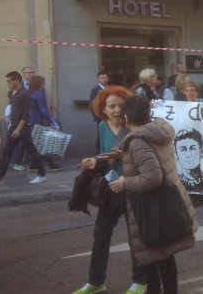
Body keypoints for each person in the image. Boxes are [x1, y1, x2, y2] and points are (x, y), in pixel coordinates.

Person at [109, 95, 197, 294]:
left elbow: (152, 177)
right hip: (164, 205)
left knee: (152, 255)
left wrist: (125, 182)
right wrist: (122, 155)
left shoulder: (138, 142)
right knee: (164, 255)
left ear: (126, 118)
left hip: (150, 208)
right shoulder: (157, 132)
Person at [73, 86, 147, 294]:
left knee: (136, 237)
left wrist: (127, 177)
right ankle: (96, 281)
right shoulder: (102, 128)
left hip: (133, 186)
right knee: (100, 236)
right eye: (111, 106)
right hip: (112, 187)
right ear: (102, 109)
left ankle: (140, 281)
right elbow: (103, 157)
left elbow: (145, 160)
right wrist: (93, 161)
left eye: (120, 106)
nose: (116, 110)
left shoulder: (135, 126)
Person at [0, 71, 46, 186]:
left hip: (23, 127)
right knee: (6, 152)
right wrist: (11, 124)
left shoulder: (25, 94)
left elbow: (26, 114)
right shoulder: (11, 93)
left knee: (31, 151)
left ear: (17, 81)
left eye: (9, 81)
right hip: (14, 125)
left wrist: (18, 129)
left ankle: (42, 175)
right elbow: (13, 110)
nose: (8, 83)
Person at [27, 76, 62, 171]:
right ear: (39, 83)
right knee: (47, 142)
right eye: (43, 82)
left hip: (31, 121)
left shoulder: (29, 94)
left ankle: (33, 164)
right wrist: (51, 122)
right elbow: (43, 110)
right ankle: (51, 164)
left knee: (36, 144)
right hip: (40, 121)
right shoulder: (39, 94)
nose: (44, 84)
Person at [174, 128, 203, 194]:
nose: (188, 155)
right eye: (183, 149)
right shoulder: (175, 183)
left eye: (192, 148)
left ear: (201, 152)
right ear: (176, 154)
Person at [90, 71, 109, 154]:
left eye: (105, 78)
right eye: (102, 78)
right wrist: (97, 116)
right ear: (98, 79)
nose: (104, 79)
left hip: (110, 116)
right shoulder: (95, 90)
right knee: (100, 136)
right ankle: (99, 154)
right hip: (100, 117)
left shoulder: (110, 89)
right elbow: (92, 105)